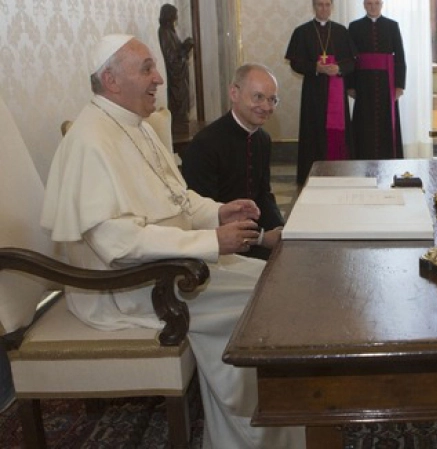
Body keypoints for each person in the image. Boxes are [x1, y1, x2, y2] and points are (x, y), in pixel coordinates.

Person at [40, 34, 304, 449]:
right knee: (265, 308)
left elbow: (177, 198)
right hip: (129, 285)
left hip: (170, 264)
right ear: (110, 79)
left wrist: (217, 212)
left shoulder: (136, 127)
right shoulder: (91, 140)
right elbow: (118, 243)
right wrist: (210, 242)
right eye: (146, 68)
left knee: (276, 283)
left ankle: (271, 425)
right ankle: (254, 436)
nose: (159, 78)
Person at [182, 63, 284, 261]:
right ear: (234, 93)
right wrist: (262, 238)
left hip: (255, 235)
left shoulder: (263, 139)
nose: (266, 107)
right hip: (219, 247)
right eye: (258, 97)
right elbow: (199, 215)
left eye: (272, 100)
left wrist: (280, 230)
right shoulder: (205, 143)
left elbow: (263, 194)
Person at [285, 0, 358, 185]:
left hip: (336, 92)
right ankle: (312, 175)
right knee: (313, 130)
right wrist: (315, 67)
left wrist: (339, 68)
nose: (323, 9)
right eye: (319, 5)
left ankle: (340, 170)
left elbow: (352, 62)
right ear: (314, 6)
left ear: (332, 6)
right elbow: (295, 62)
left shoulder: (341, 31)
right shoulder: (302, 32)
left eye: (327, 5)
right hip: (313, 92)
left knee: (337, 133)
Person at [347, 0, 406, 160]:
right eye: (369, 3)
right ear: (364, 5)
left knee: (386, 123)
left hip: (387, 83)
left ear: (382, 4)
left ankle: (389, 160)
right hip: (363, 84)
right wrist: (350, 85)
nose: (373, 7)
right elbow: (350, 59)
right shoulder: (354, 27)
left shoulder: (392, 26)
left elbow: (400, 57)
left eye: (376, 3)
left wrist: (399, 86)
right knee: (364, 122)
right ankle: (362, 158)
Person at [158, 3, 194, 126]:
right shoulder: (164, 32)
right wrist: (184, 49)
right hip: (175, 76)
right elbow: (171, 58)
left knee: (183, 103)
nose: (176, 18)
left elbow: (176, 52)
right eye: (174, 15)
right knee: (178, 102)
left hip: (180, 74)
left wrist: (184, 46)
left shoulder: (171, 32)